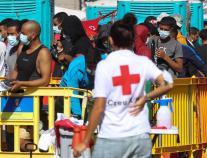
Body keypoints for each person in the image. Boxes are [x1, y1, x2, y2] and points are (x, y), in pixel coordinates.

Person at [73, 20, 173, 158]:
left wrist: (85, 141)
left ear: (111, 40)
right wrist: (146, 97)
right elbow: (168, 83)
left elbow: (99, 107)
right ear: (133, 41)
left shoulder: (105, 65)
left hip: (111, 137)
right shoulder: (143, 62)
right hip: (140, 137)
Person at [8, 20, 51, 151]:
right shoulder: (22, 48)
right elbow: (16, 71)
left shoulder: (43, 52)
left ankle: (45, 150)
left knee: (22, 143)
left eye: (23, 33)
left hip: (30, 103)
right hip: (14, 100)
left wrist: (22, 84)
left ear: (33, 35)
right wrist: (7, 81)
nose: (20, 35)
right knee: (11, 139)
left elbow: (45, 80)